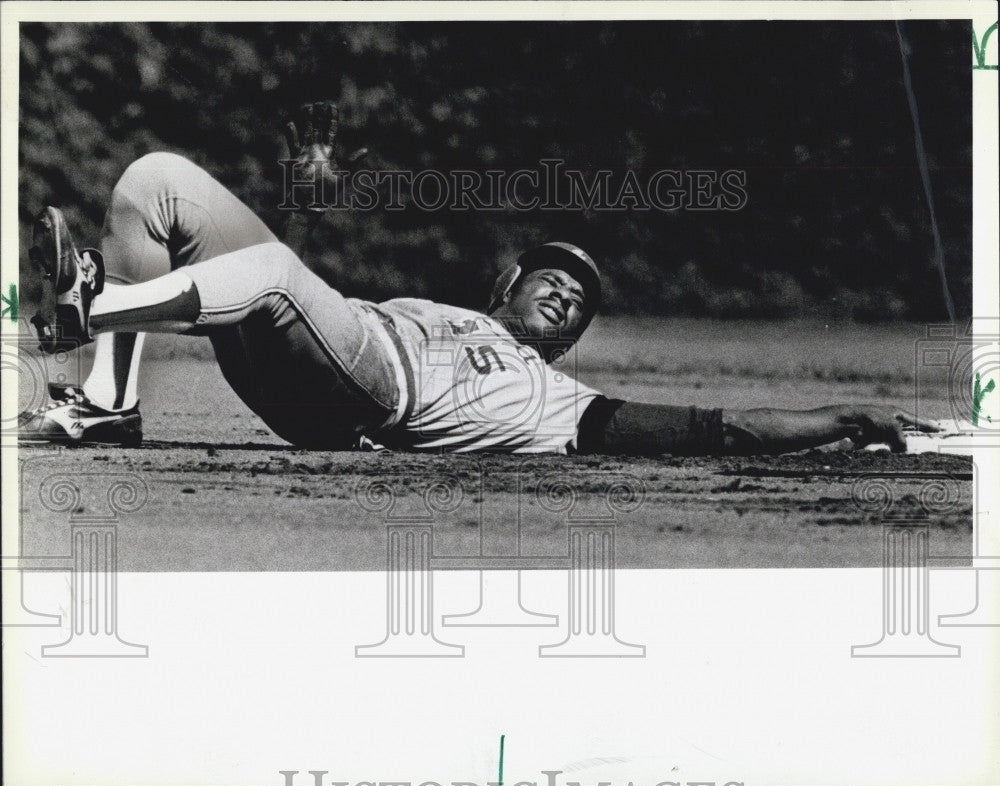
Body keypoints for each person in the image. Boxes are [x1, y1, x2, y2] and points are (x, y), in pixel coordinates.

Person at [19, 103, 939, 454]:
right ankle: (110, 401)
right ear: (509, 280)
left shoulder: (561, 402)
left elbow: (717, 428)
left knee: (269, 270)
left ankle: (89, 308)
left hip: (368, 394)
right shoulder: (450, 306)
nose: (566, 297)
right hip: (323, 344)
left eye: (576, 306)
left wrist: (844, 419)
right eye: (552, 280)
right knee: (158, 180)